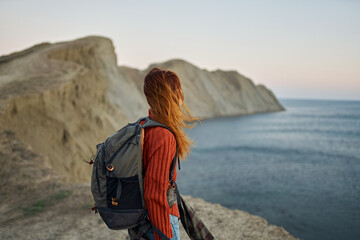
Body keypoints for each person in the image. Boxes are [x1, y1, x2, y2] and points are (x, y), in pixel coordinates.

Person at [138, 67, 199, 240]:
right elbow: (155, 194)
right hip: (160, 223)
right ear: (169, 96)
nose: (181, 97)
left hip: (142, 220)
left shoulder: (144, 125)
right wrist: (164, 235)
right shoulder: (164, 136)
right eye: (178, 91)